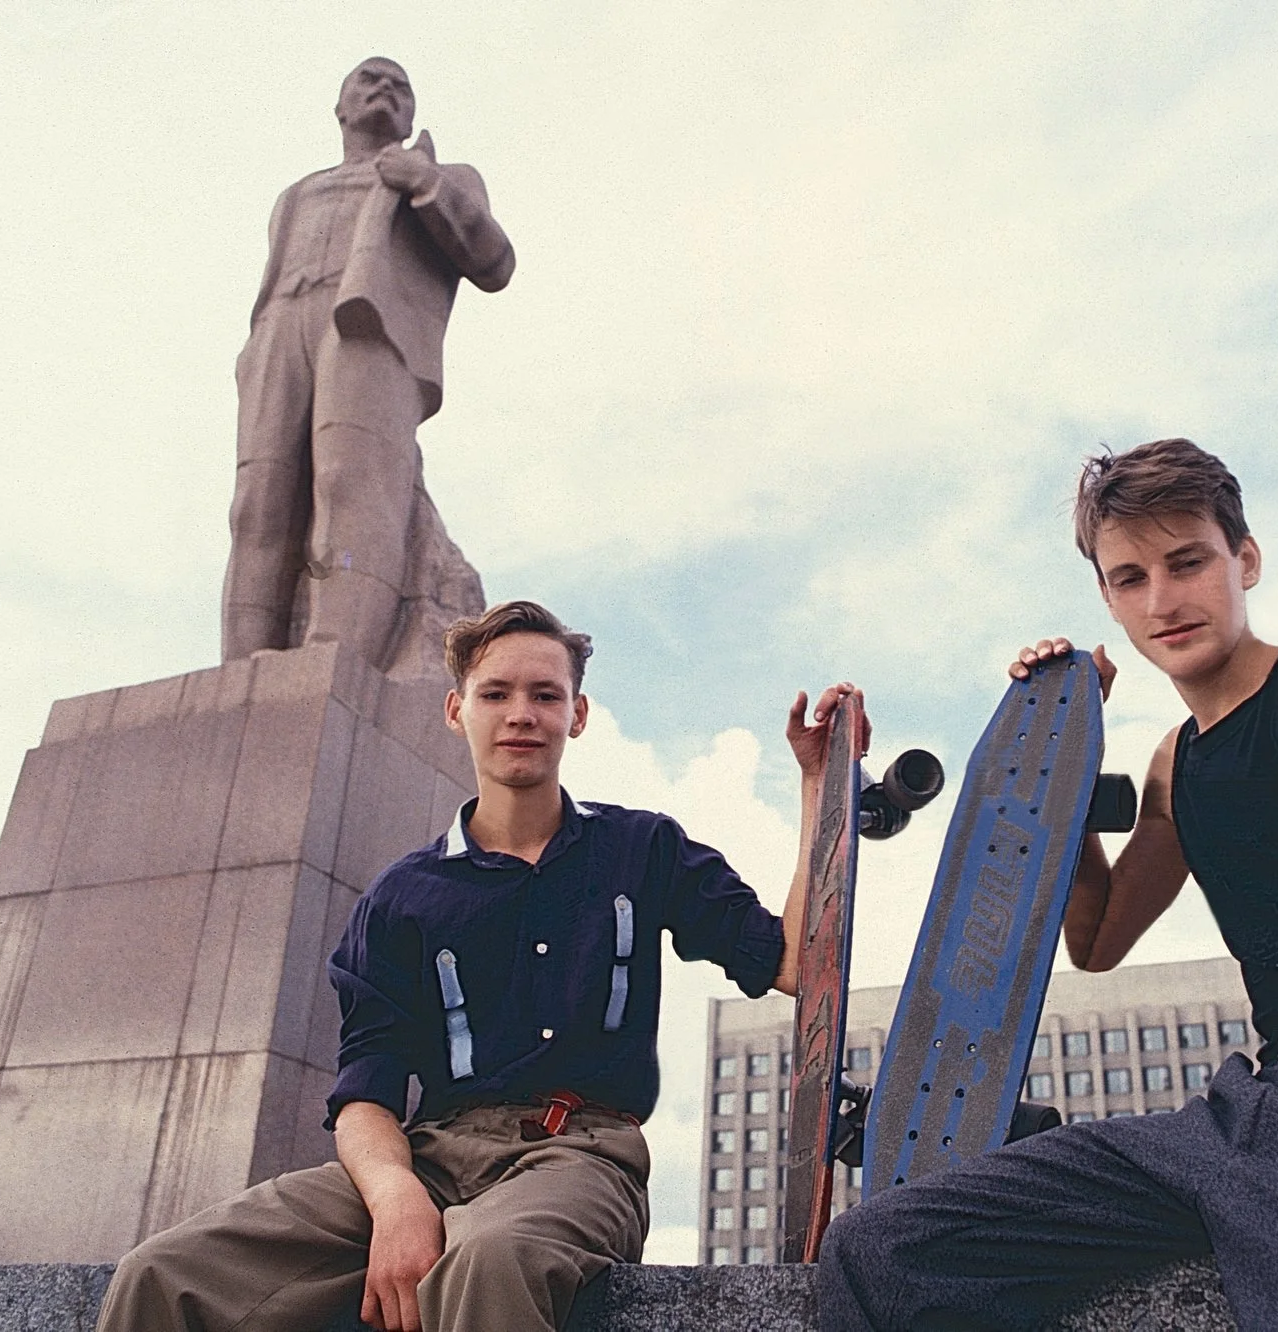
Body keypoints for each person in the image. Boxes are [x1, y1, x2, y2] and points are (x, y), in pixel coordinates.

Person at [817, 438, 1278, 1330]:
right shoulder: (1174, 764)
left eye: (1188, 562)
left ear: (1244, 559)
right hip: (1259, 1103)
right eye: (1130, 578)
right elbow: (1097, 943)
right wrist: (1060, 756)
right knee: (886, 1251)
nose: (1163, 600)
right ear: (1107, 595)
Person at [99, 599, 868, 1332]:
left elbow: (797, 965)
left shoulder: (643, 849)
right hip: (430, 1154)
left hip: (580, 1153)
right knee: (161, 1275)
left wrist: (815, 783)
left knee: (490, 1261)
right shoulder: (403, 897)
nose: (521, 714)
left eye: (545, 694)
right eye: (495, 693)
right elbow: (365, 1090)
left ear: (579, 714)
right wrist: (398, 1198)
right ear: (456, 709)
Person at [221, 56, 513, 674]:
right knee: (257, 503)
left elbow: (495, 261)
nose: (384, 90)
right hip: (281, 328)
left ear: (410, 114)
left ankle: (337, 657)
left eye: (399, 86)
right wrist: (255, 350)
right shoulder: (296, 194)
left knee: (351, 483)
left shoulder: (444, 175)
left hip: (370, 328)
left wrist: (425, 186)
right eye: (369, 81)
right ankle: (240, 668)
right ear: (342, 107)